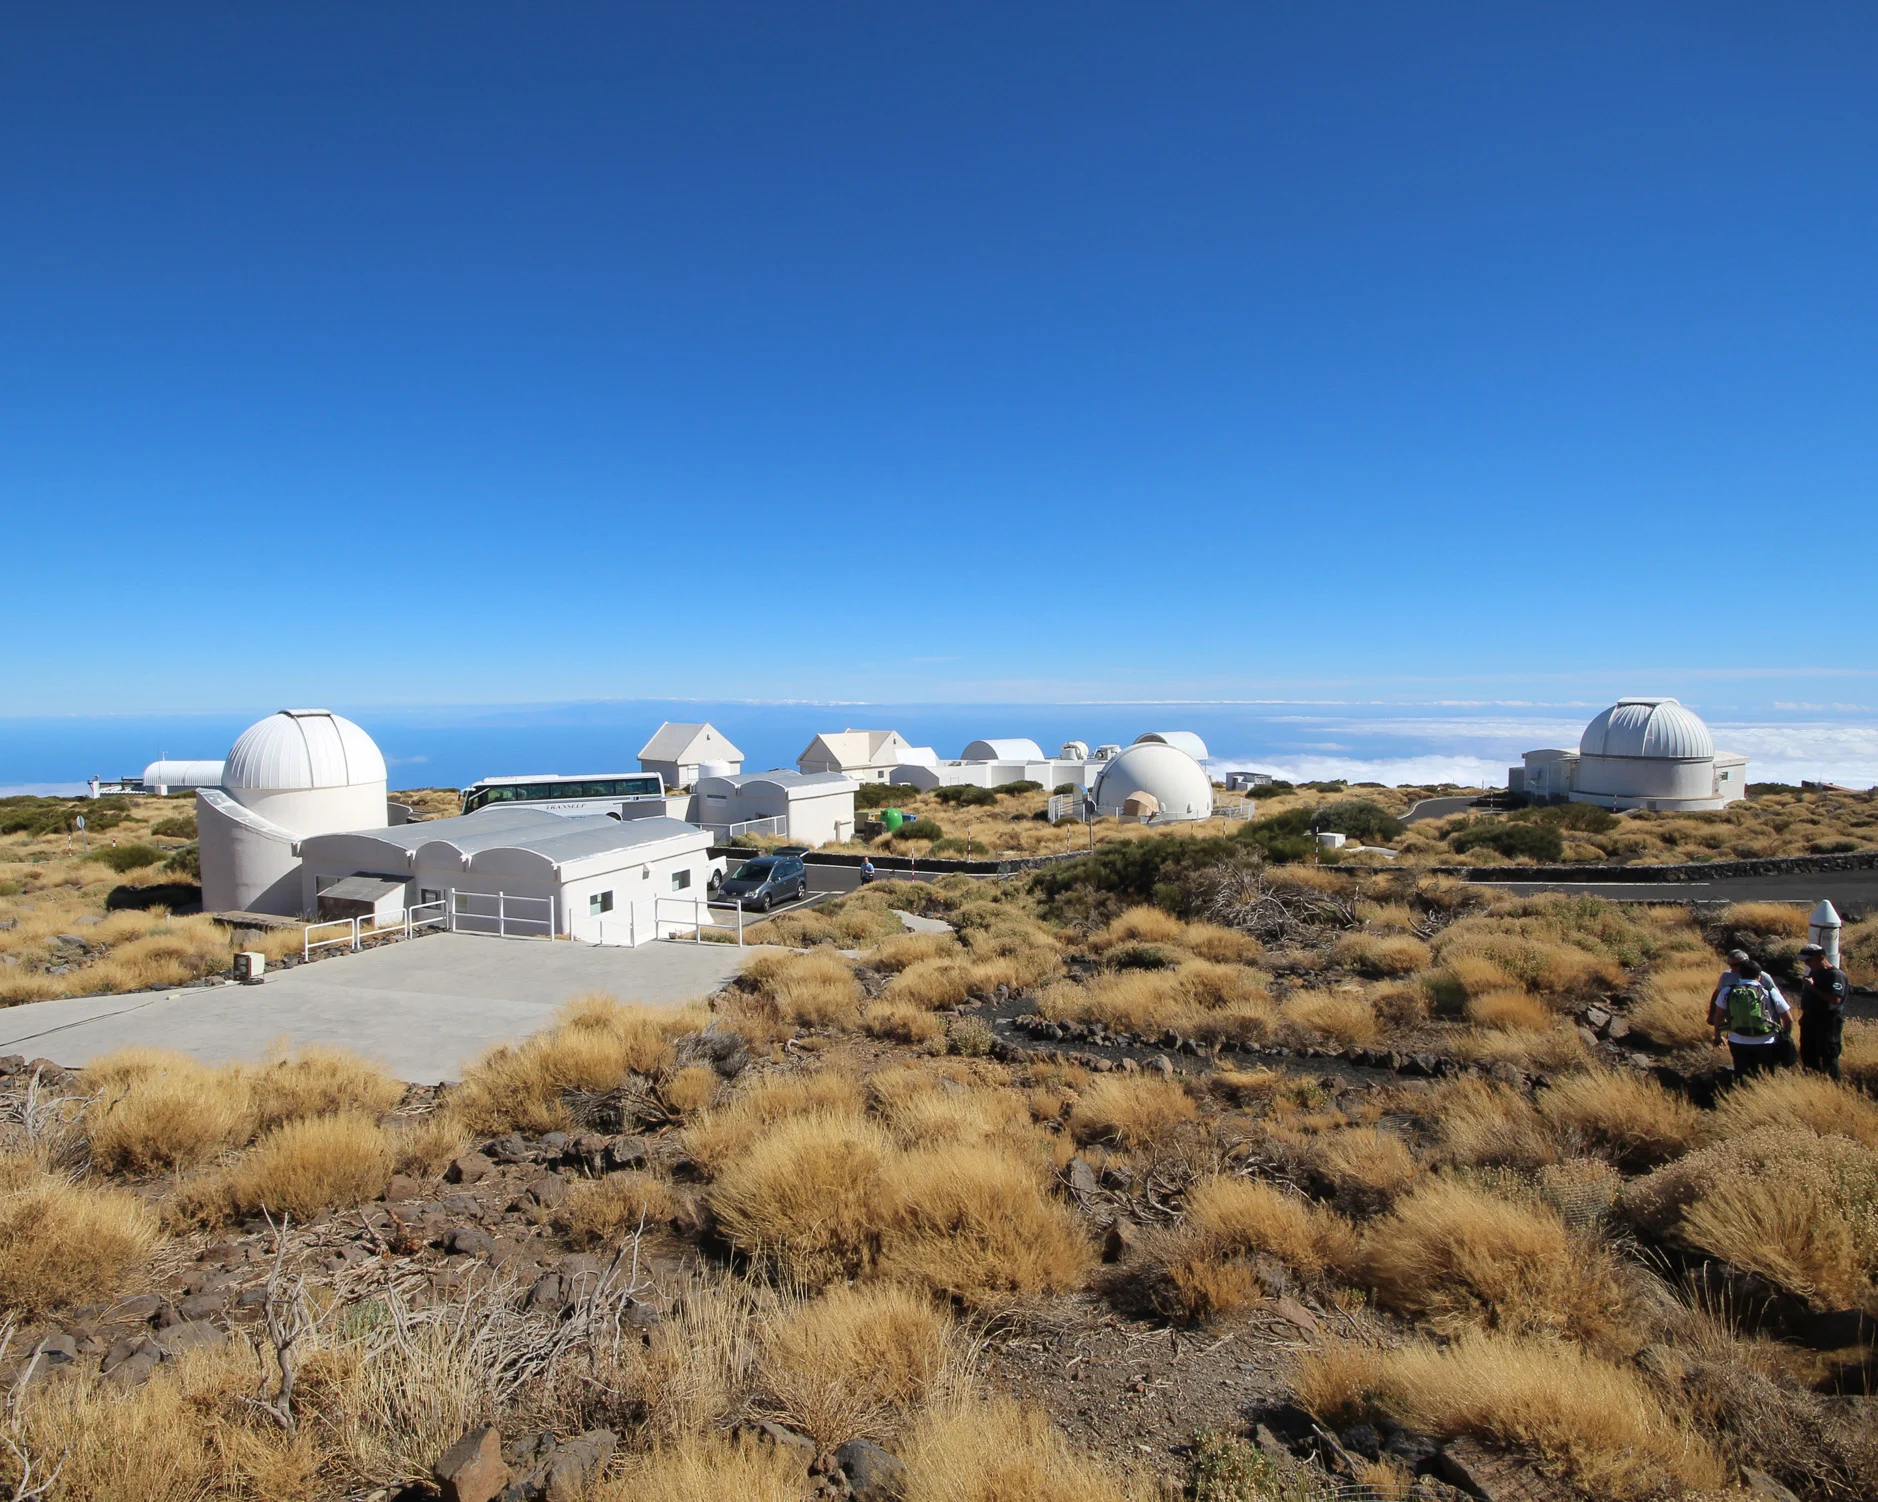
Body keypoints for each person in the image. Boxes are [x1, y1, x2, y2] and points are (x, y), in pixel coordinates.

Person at [1710, 957, 1793, 1079]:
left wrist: (1718, 1036)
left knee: (1741, 1075)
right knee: (1766, 1076)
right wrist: (1784, 1037)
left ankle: (1742, 1095)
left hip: (1737, 1040)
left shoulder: (1728, 991)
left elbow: (1718, 1017)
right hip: (1766, 1041)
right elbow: (1788, 1019)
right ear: (1759, 975)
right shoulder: (1770, 992)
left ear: (1740, 974)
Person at [1797, 943, 1849, 1080]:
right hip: (1810, 1020)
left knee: (1828, 1055)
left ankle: (1833, 1084)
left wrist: (1813, 988)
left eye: (1809, 960)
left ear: (1821, 957)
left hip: (1827, 1022)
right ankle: (1812, 1081)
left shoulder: (1835, 975)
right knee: (1808, 1053)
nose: (1807, 964)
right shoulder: (1814, 973)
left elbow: (1835, 1000)